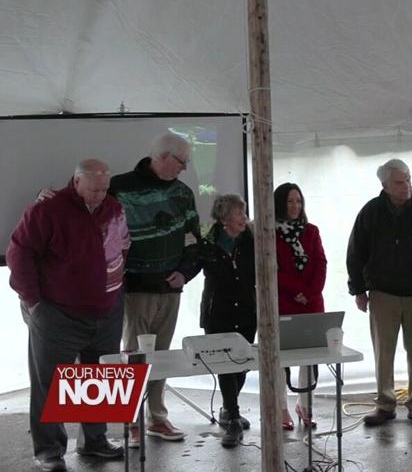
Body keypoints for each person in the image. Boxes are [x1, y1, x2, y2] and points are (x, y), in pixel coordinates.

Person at [7, 159, 130, 471]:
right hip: (57, 313)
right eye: (93, 189)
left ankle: (95, 441)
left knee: (98, 378)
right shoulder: (46, 211)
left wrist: (114, 292)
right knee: (50, 382)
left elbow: (121, 248)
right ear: (76, 182)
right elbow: (18, 254)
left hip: (106, 310)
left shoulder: (114, 208)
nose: (99, 195)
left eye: (104, 189)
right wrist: (35, 303)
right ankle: (49, 450)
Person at [346, 159, 412, 427]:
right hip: (382, 294)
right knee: (384, 352)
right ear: (385, 186)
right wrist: (358, 289)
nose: (406, 186)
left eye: (408, 180)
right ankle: (385, 404)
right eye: (399, 182)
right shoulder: (371, 212)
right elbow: (356, 252)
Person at [113, 132, 201, 444]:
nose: (184, 169)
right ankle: (131, 420)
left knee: (161, 357)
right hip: (135, 288)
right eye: (182, 162)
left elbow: (193, 238)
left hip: (170, 288)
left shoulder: (183, 193)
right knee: (135, 355)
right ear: (163, 156)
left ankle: (157, 418)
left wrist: (185, 273)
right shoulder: (120, 187)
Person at [196, 194, 255, 448]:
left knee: (242, 364)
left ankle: (228, 409)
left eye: (244, 213)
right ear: (224, 219)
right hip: (217, 311)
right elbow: (190, 265)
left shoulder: (251, 239)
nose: (244, 218)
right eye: (238, 214)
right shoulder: (207, 242)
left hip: (246, 310)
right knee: (225, 365)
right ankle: (232, 417)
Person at [274, 182, 327, 430]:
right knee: (280, 357)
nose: (295, 206)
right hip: (284, 301)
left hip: (312, 302)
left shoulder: (311, 231)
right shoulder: (269, 233)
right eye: (289, 201)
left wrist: (310, 292)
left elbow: (320, 263)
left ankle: (305, 405)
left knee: (310, 358)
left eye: (298, 201)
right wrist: (297, 291)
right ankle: (280, 407)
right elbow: (273, 269)